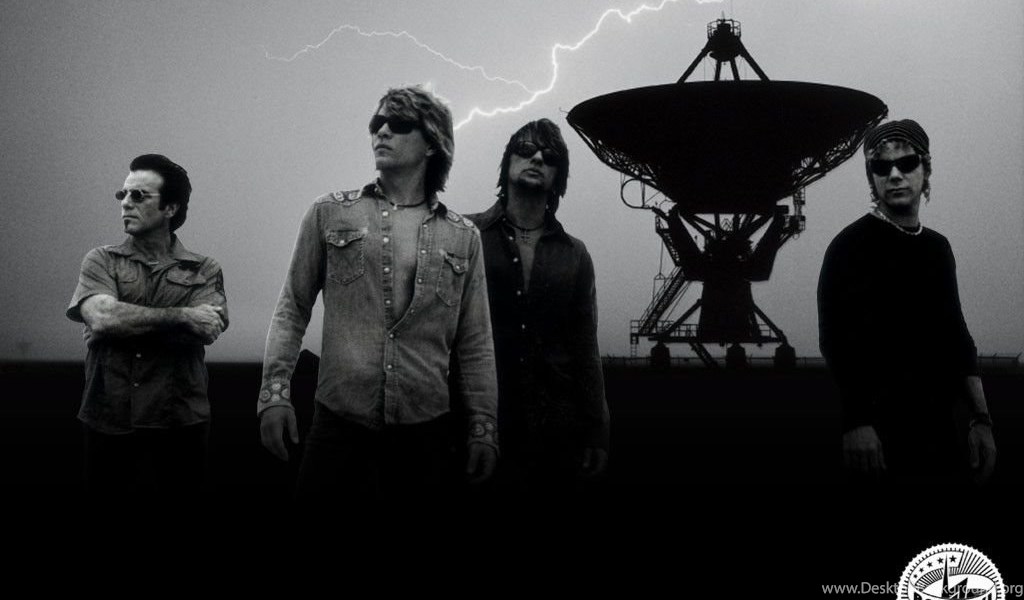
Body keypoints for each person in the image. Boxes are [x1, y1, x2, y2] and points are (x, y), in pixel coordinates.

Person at [258, 86, 498, 498]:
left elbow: (475, 343)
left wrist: (483, 427)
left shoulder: (463, 236)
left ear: (432, 143)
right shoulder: (329, 212)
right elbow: (292, 308)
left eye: (399, 124)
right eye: (377, 122)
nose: (382, 131)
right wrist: (274, 394)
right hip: (338, 423)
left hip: (425, 433)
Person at [817, 119, 996, 484]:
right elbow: (837, 340)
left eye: (907, 163)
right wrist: (857, 422)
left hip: (939, 435)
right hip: (876, 443)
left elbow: (957, 338)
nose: (895, 174)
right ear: (872, 177)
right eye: (882, 167)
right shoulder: (849, 247)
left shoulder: (937, 248)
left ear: (925, 168)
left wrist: (981, 419)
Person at [67, 154, 228, 491]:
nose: (126, 202)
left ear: (170, 208)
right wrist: (183, 316)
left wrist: (122, 323)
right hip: (109, 419)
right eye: (123, 194)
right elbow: (102, 317)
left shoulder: (204, 269)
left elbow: (207, 328)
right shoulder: (101, 260)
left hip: (179, 423)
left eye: (138, 195)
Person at [465, 119, 609, 494]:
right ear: (507, 162)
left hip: (556, 431)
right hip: (478, 425)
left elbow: (584, 347)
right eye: (526, 150)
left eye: (550, 156)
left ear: (559, 176)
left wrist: (596, 429)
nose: (538, 159)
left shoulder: (575, 254)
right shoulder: (465, 236)